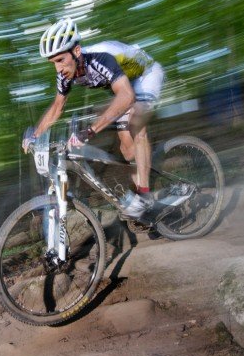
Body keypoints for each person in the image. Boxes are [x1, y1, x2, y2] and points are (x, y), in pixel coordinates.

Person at [22, 17, 165, 218]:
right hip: (124, 84)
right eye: (53, 63)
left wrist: (89, 132)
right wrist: (35, 136)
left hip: (146, 76)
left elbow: (127, 96)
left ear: (77, 51)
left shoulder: (100, 58)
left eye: (61, 60)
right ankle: (143, 175)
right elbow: (56, 108)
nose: (58, 68)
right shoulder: (65, 73)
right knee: (127, 150)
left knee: (135, 123)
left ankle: (145, 194)